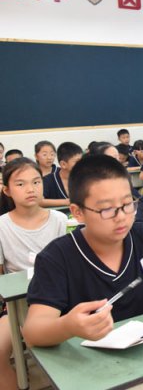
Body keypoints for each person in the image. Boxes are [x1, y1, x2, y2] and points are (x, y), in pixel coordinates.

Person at [22, 155, 143, 347]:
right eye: (107, 209)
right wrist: (68, 326)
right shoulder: (56, 257)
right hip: (87, 362)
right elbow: (33, 331)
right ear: (78, 212)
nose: (121, 217)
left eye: (128, 204)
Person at [0, 158, 68, 389]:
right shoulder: (1, 226)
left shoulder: (60, 220)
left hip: (61, 300)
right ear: (7, 190)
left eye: (36, 182)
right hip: (17, 306)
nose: (30, 189)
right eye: (21, 184)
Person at [41, 142, 83, 207]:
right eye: (77, 161)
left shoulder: (84, 179)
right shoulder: (48, 181)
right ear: (63, 164)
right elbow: (39, 201)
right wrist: (66, 202)